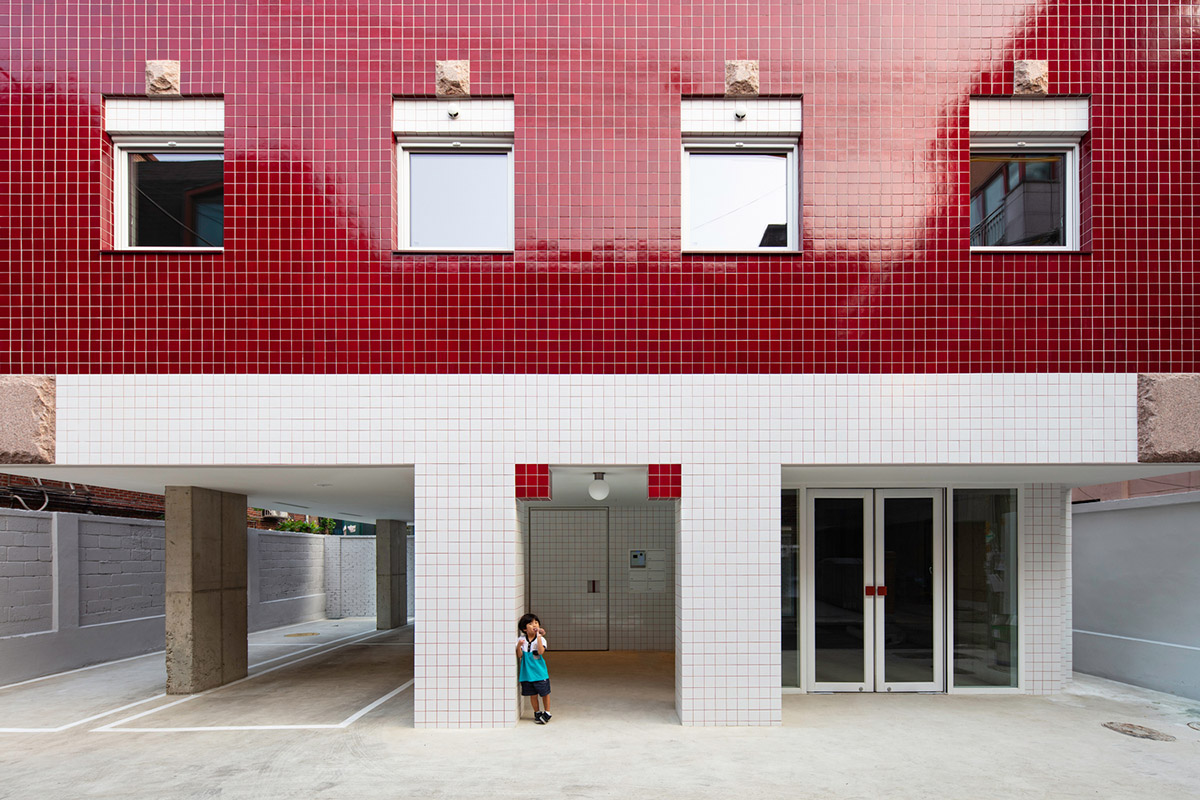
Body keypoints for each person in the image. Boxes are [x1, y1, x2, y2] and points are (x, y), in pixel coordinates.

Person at [516, 613, 552, 724]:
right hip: (527, 673)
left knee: (544, 693)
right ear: (524, 629)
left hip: (540, 672)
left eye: (536, 623)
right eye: (530, 624)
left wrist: (539, 637)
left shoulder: (541, 640)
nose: (534, 625)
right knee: (533, 694)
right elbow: (520, 655)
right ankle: (537, 712)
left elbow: (541, 652)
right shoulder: (521, 639)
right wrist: (519, 645)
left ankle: (547, 712)